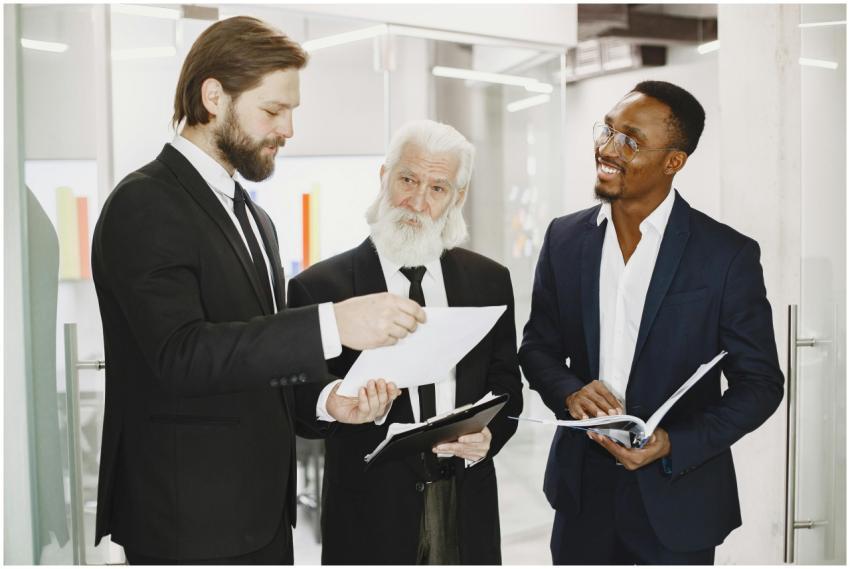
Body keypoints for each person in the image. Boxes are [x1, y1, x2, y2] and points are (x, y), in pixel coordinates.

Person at [91, 16, 425, 565]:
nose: (288, 130)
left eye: (292, 112)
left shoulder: (256, 219)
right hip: (187, 524)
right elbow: (181, 355)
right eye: (273, 110)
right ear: (214, 97)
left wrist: (327, 401)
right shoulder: (144, 203)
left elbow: (255, 360)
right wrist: (332, 323)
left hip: (263, 519)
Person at [519, 81, 784, 565]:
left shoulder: (725, 256)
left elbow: (761, 384)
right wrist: (569, 390)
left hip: (677, 499)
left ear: (673, 162)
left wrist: (671, 444)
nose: (607, 148)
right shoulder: (564, 238)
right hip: (582, 497)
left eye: (631, 141)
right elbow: (537, 346)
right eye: (608, 130)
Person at [288, 119, 523, 564]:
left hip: (466, 508)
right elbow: (298, 407)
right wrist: (338, 401)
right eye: (408, 180)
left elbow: (508, 387)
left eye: (438, 188)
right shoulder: (319, 287)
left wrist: (489, 436)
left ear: (459, 197)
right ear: (384, 176)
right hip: (368, 517)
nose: (417, 201)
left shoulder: (490, 280)